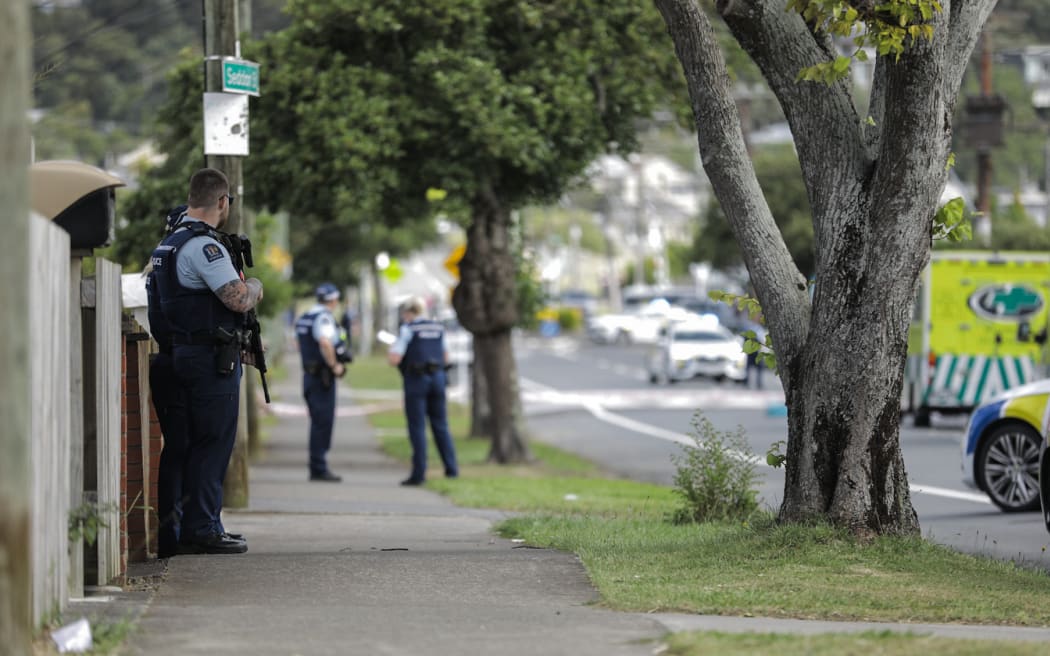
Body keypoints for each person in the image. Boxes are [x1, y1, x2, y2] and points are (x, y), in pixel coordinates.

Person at [150, 168, 263, 555]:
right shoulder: (204, 247)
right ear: (221, 202)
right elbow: (236, 298)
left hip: (178, 355)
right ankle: (203, 527)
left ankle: (183, 530)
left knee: (185, 445)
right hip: (207, 360)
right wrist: (255, 287)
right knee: (212, 443)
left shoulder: (169, 243)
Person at [386, 296, 459, 486]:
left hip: (416, 380)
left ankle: (419, 473)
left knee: (417, 427)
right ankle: (451, 469)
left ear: (409, 313)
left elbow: (395, 358)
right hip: (438, 379)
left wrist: (392, 352)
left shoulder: (408, 329)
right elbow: (446, 356)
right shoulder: (438, 328)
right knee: (441, 425)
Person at [295, 283, 350, 482]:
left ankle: (317, 465)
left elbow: (298, 343)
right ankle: (318, 467)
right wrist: (335, 365)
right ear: (333, 300)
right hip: (322, 377)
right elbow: (325, 342)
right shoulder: (323, 318)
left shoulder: (305, 318)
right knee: (323, 422)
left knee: (318, 421)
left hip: (309, 376)